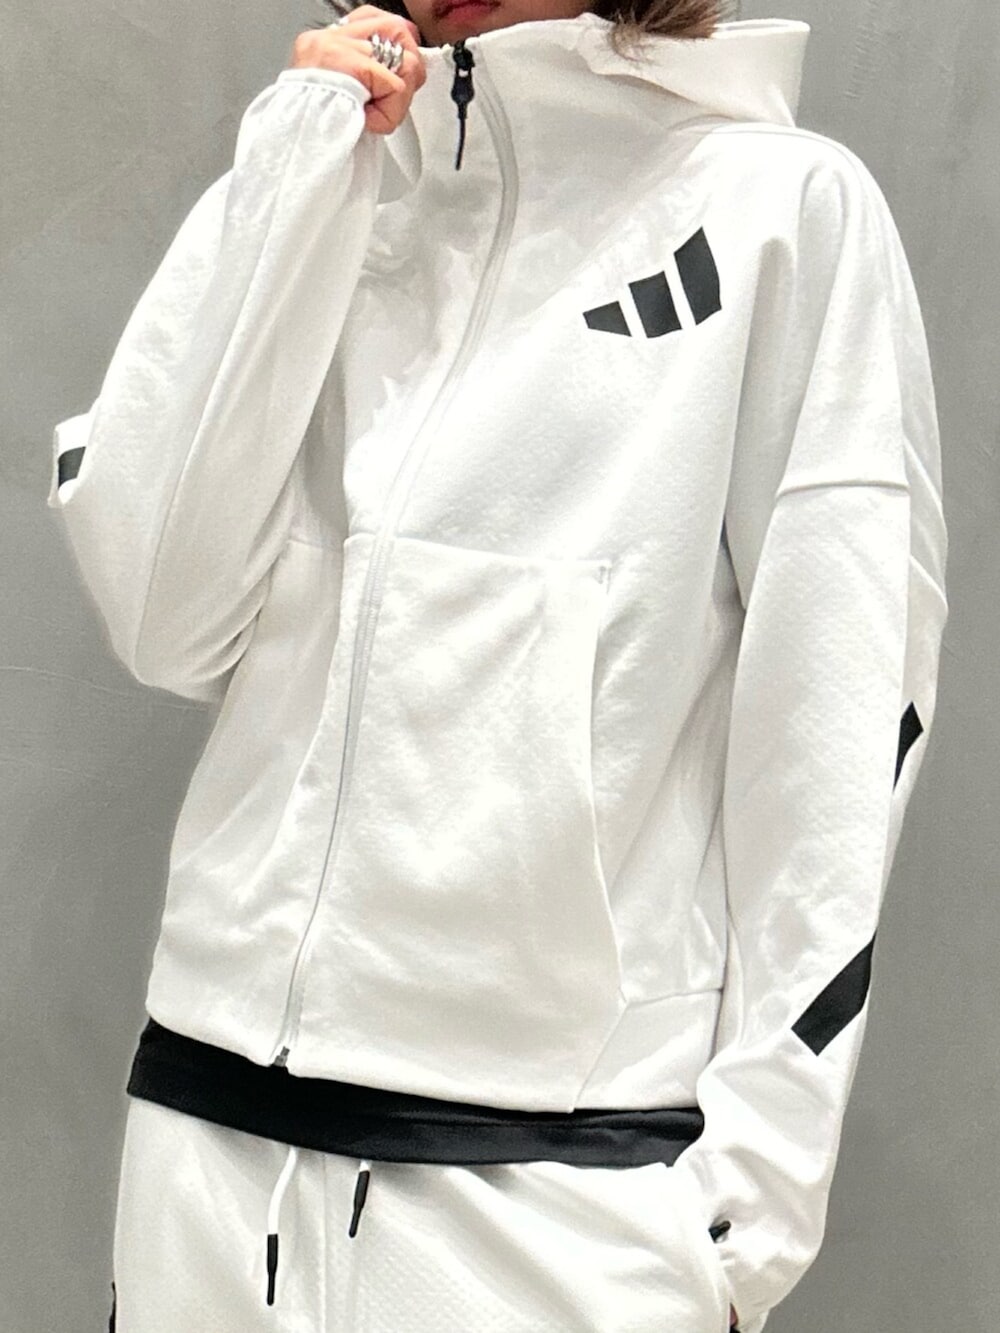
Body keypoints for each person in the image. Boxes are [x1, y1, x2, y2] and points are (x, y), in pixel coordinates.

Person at [48, 0, 948, 1328]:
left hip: (554, 1196)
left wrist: (735, 1222)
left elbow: (837, 719)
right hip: (210, 1151)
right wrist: (294, 172)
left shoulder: (778, 208)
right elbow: (162, 615)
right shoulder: (342, 176)